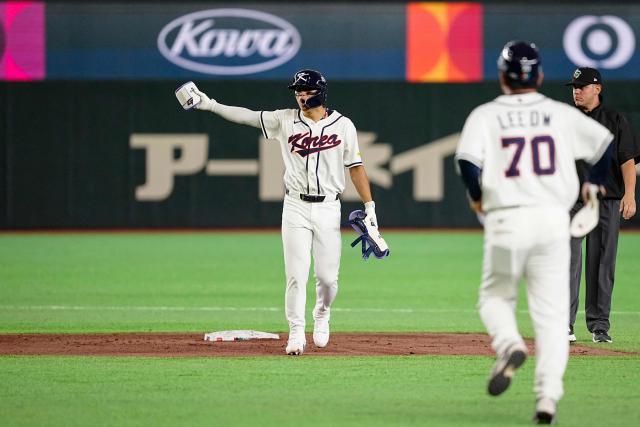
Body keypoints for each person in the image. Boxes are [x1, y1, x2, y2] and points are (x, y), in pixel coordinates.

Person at [455, 41, 613, 424]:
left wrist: (477, 198)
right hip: (552, 222)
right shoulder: (560, 114)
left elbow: (467, 162)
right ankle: (547, 400)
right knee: (553, 318)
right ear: (539, 75)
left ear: (501, 76)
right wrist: (592, 184)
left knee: (495, 298)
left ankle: (509, 345)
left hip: (507, 220)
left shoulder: (486, 114)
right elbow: (604, 146)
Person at [191, 69, 386, 356]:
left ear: (319, 92)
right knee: (296, 274)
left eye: (305, 90)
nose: (300, 95)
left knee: (328, 278)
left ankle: (322, 312)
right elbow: (246, 115)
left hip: (329, 206)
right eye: (297, 91)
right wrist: (209, 104)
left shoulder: (344, 126)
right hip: (295, 205)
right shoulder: (285, 120)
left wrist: (370, 207)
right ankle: (295, 332)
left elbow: (355, 168)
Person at [565, 67, 639, 344]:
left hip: (607, 201)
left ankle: (599, 326)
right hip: (572, 201)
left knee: (602, 264)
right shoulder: (566, 120)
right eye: (574, 86)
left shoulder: (614, 119)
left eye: (582, 86)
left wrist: (629, 194)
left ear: (597, 88)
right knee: (566, 260)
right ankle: (564, 323)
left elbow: (627, 160)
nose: (576, 90)